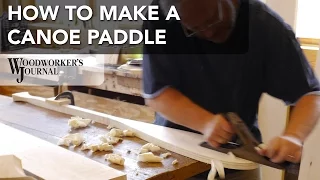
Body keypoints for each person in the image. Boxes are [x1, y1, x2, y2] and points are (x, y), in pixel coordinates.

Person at [142, 0, 320, 179]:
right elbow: (158, 93)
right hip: (174, 155)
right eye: (193, 29)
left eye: (214, 20)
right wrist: (205, 122)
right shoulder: (159, 19)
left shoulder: (264, 26)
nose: (209, 32)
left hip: (237, 158)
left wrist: (294, 136)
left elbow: (310, 94)